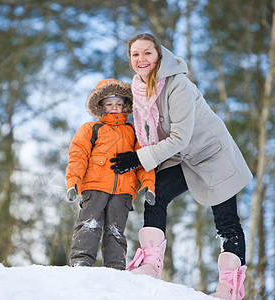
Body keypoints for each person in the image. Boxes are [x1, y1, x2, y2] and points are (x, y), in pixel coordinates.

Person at [110, 33, 252, 299]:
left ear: (159, 56)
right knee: (155, 196)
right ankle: (151, 264)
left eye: (147, 53)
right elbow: (147, 133)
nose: (141, 59)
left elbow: (180, 137)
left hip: (212, 154)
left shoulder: (177, 85)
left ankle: (228, 288)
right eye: (135, 54)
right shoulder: (138, 89)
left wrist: (140, 158)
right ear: (130, 60)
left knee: (226, 222)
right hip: (180, 157)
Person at [66, 78, 156, 270]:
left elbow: (143, 161)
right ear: (101, 107)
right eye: (109, 104)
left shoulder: (133, 131)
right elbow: (78, 155)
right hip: (94, 186)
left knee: (115, 230)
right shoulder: (91, 129)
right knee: (89, 224)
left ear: (125, 106)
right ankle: (81, 262)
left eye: (118, 103)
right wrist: (73, 181)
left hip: (124, 190)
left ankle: (115, 267)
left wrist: (149, 185)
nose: (114, 107)